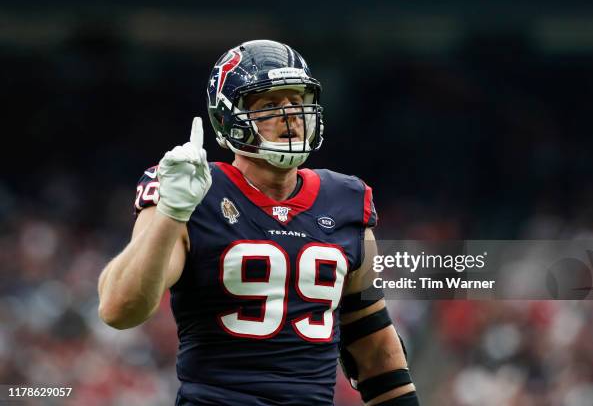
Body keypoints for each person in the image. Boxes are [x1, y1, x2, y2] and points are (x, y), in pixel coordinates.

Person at [98, 39, 419, 406]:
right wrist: (172, 211)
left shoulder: (346, 201)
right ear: (227, 118)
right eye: (269, 105)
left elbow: (374, 346)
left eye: (297, 102)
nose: (290, 116)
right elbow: (120, 310)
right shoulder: (191, 189)